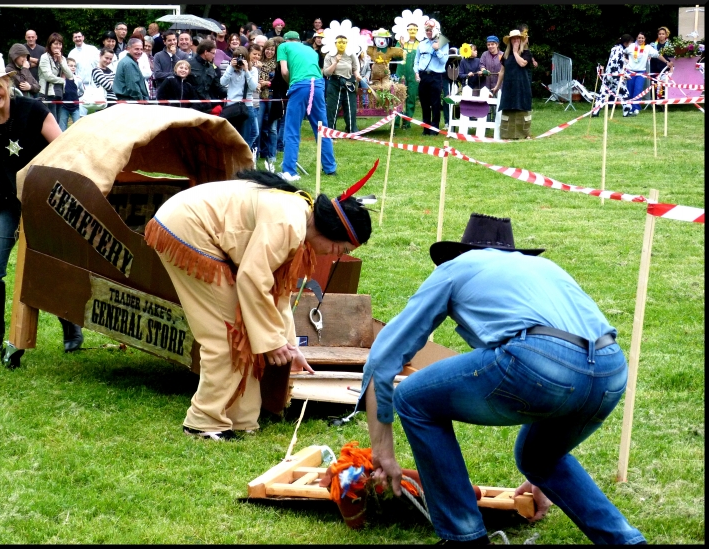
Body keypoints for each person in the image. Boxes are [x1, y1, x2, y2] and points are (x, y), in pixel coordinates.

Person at [349, 212, 647, 545]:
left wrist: (383, 453)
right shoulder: (545, 270)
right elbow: (570, 352)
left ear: (460, 252)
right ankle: (626, 540)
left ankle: (464, 537)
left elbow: (384, 357)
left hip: (540, 359)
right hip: (611, 370)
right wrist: (541, 478)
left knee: (413, 397)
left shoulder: (454, 268)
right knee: (537, 457)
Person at [143, 169, 373, 439]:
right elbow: (252, 279)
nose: (336, 255)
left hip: (196, 226)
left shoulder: (301, 219)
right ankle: (203, 422)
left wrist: (288, 346)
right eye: (342, 249)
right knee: (227, 334)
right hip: (188, 228)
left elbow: (278, 294)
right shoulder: (289, 223)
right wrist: (272, 342)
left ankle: (242, 420)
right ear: (334, 233)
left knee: (248, 331)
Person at [0, 54, 84, 357]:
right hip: (6, 200)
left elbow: (66, 152)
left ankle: (70, 325)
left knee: (51, 265)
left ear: (8, 82)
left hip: (45, 200)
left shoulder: (34, 110)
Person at [277, 30, 337, 181]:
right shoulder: (310, 50)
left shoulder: (283, 47)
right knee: (322, 128)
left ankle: (289, 171)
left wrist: (291, 83)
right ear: (298, 40)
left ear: (286, 40)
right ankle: (330, 168)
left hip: (300, 86)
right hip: (317, 85)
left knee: (292, 129)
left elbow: (284, 71)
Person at [493, 30, 534, 139]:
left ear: (520, 40)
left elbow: (522, 63)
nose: (515, 40)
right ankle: (508, 134)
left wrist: (516, 52)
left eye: (517, 38)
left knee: (522, 108)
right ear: (510, 41)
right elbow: (502, 71)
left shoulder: (526, 53)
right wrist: (497, 86)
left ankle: (524, 134)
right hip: (509, 87)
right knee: (508, 109)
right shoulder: (505, 56)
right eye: (513, 38)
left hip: (522, 87)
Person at [623, 31, 672, 116]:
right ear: (636, 38)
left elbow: (657, 55)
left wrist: (666, 62)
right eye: (639, 38)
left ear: (645, 39)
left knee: (638, 90)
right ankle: (629, 107)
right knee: (629, 90)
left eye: (642, 38)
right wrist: (625, 60)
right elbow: (621, 52)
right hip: (630, 71)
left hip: (641, 72)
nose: (640, 39)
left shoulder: (647, 48)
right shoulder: (631, 46)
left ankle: (636, 108)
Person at [414, 19, 448, 136]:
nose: (428, 32)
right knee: (424, 103)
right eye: (427, 30)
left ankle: (435, 128)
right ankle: (426, 127)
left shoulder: (443, 42)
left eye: (430, 30)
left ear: (435, 30)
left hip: (436, 76)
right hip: (423, 76)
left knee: (435, 103)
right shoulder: (422, 44)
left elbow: (444, 60)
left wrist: (437, 49)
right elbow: (417, 60)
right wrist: (416, 72)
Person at [221, 45, 259, 152]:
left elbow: (253, 87)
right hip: (232, 106)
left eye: (242, 58)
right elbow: (222, 83)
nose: (239, 61)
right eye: (237, 58)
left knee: (246, 136)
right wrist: (230, 67)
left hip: (246, 106)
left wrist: (246, 71)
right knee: (232, 136)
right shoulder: (231, 70)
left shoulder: (253, 70)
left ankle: (243, 158)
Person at [323, 34, 362, 134]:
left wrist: (357, 76)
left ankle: (351, 130)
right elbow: (327, 73)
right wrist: (335, 62)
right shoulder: (329, 55)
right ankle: (331, 131)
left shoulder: (351, 54)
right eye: (340, 42)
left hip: (349, 83)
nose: (342, 45)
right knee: (332, 108)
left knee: (350, 108)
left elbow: (355, 68)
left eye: (344, 43)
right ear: (335, 43)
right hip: (334, 83)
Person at [594, 34, 634, 118]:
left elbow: (618, 64)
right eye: (630, 42)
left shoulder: (617, 49)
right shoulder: (618, 50)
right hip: (615, 76)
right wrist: (620, 75)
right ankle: (627, 112)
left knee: (603, 93)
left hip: (609, 75)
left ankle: (595, 111)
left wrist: (624, 73)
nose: (631, 44)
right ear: (626, 42)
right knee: (624, 93)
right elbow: (614, 63)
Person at [38, 32, 74, 122]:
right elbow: (48, 76)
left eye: (60, 44)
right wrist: (62, 80)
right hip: (47, 93)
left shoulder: (63, 58)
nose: (58, 46)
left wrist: (61, 61)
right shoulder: (44, 57)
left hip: (59, 92)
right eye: (55, 44)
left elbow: (70, 75)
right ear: (50, 45)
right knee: (51, 121)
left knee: (57, 121)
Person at [257, 39, 280, 172]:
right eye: (267, 49)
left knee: (272, 128)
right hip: (259, 97)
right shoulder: (258, 61)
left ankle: (272, 155)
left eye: (272, 49)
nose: (269, 51)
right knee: (258, 127)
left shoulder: (277, 64)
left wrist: (267, 83)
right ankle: (260, 152)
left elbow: (278, 82)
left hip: (272, 97)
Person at [188, 39, 226, 114]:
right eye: (213, 53)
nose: (214, 56)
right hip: (191, 107)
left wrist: (230, 93)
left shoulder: (211, 67)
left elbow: (218, 87)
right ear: (205, 52)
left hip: (206, 107)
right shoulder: (188, 64)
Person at [395, 22, 421, 130]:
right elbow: (396, 57)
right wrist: (401, 46)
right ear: (406, 30)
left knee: (411, 98)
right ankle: (395, 124)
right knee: (397, 98)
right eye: (410, 29)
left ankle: (407, 123)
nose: (412, 31)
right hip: (401, 73)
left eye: (415, 29)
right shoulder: (400, 42)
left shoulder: (420, 44)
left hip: (413, 74)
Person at [113, 38, 150, 102]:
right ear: (128, 49)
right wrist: (140, 101)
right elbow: (133, 86)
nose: (139, 52)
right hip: (130, 101)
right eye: (136, 49)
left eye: (141, 49)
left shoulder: (128, 61)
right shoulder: (129, 63)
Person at [58, 57, 84, 131]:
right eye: (71, 65)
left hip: (75, 106)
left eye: (74, 66)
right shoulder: (60, 79)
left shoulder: (78, 79)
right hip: (63, 106)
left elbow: (82, 91)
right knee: (62, 127)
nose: (73, 68)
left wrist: (75, 96)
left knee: (78, 126)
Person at [650, 27, 673, 101]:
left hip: (665, 68)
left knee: (663, 85)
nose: (661, 35)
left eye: (663, 34)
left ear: (666, 35)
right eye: (659, 34)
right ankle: (655, 102)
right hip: (654, 67)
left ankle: (663, 102)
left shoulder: (670, 45)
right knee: (654, 84)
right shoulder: (653, 45)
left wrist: (671, 67)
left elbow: (672, 58)